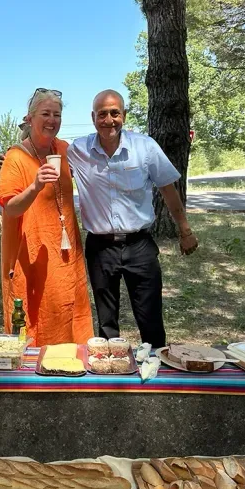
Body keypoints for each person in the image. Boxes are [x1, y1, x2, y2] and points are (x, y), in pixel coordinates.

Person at [67, 89, 199, 348]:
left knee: (150, 316)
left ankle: (157, 369)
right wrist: (17, 152)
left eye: (115, 113)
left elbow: (168, 191)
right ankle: (110, 372)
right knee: (106, 322)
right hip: (100, 247)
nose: (109, 120)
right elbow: (45, 158)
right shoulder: (77, 151)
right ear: (93, 117)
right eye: (102, 114)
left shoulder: (145, 147)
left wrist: (185, 231)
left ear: (124, 115)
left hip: (139, 246)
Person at [0, 89, 94, 346]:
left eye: (57, 115)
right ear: (29, 119)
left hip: (64, 250)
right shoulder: (15, 158)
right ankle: (34, 373)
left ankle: (71, 361)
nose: (51, 120)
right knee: (35, 311)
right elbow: (11, 208)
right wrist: (35, 186)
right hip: (31, 254)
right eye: (45, 114)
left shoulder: (63, 148)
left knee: (67, 305)